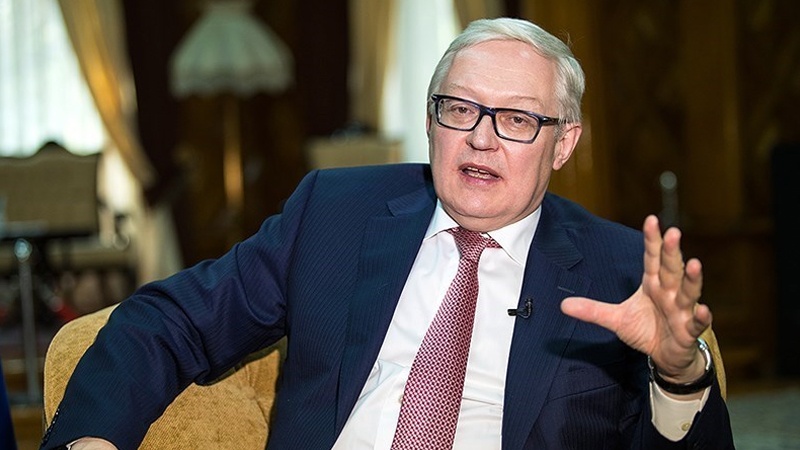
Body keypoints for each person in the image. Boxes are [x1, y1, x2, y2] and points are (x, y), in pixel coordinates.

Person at [40, 17, 734, 450]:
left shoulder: (619, 270)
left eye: (517, 119)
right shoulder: (335, 213)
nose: (482, 139)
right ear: (430, 121)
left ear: (564, 144)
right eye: (460, 109)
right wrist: (91, 440)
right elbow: (172, 320)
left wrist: (678, 378)